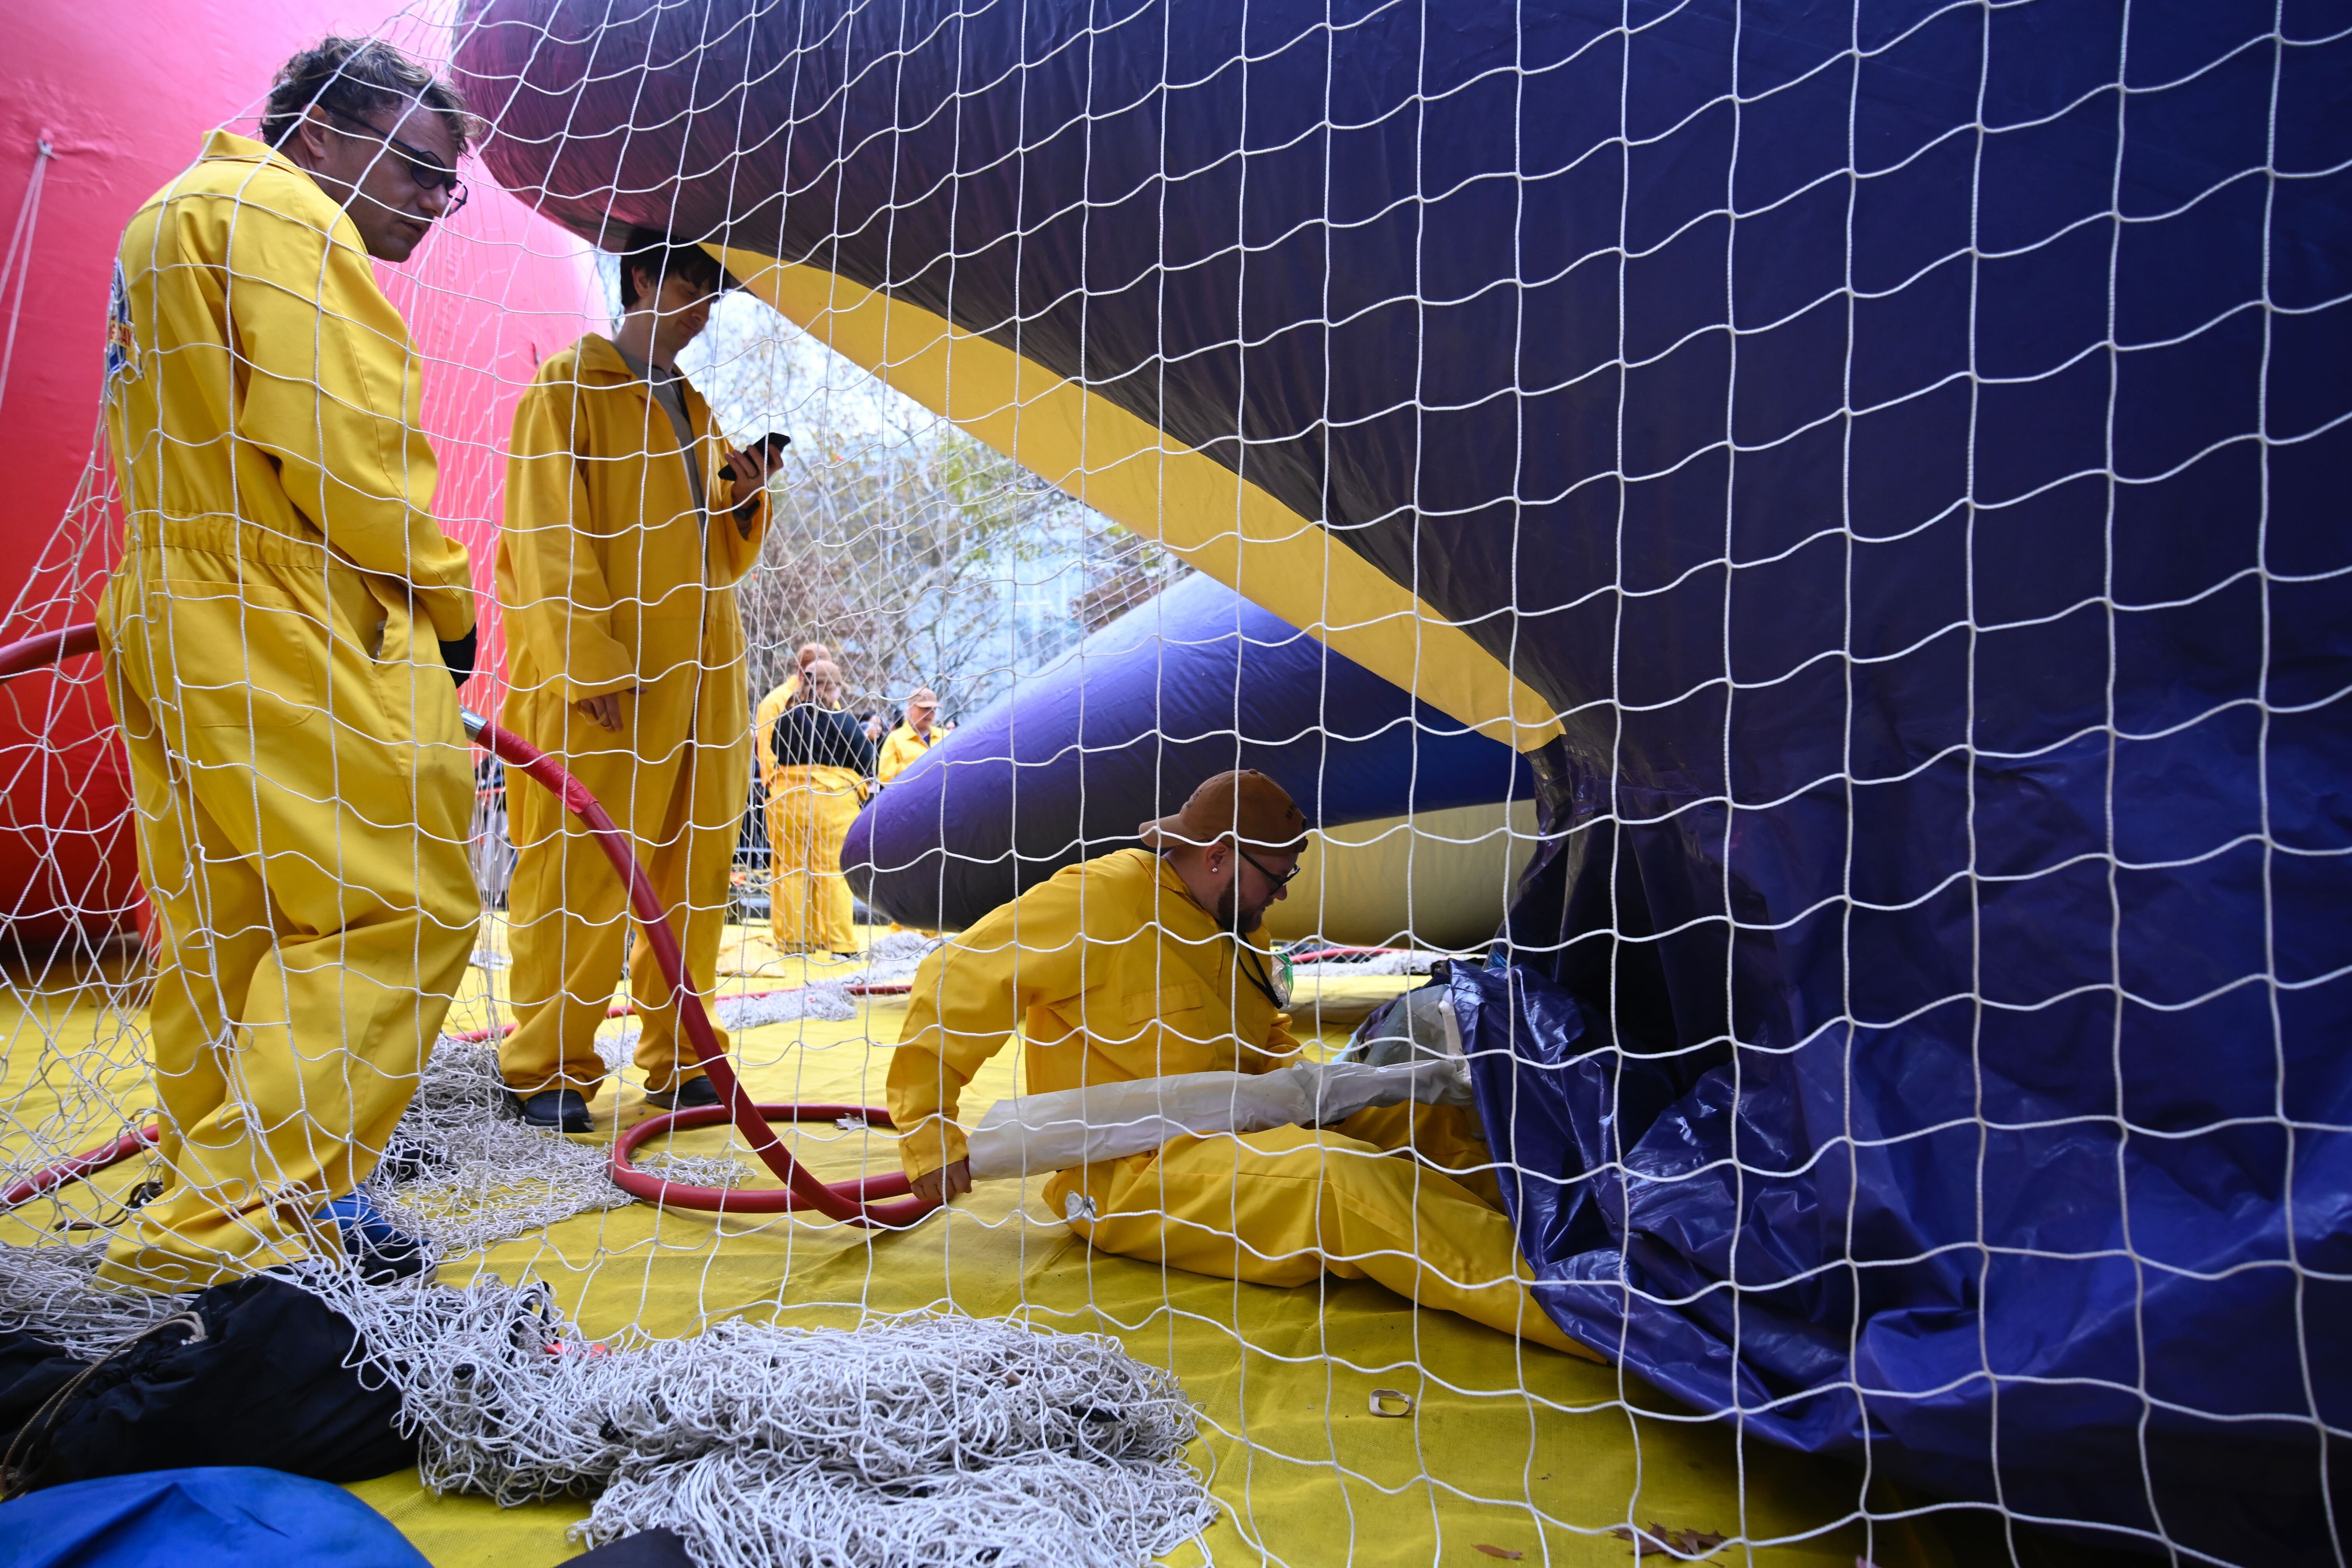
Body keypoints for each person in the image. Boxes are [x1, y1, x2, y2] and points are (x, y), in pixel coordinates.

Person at [93, 38, 482, 1287]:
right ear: (317, 135)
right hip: (286, 595)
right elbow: (343, 444)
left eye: (450, 185)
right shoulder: (284, 213)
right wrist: (444, 594)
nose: (436, 204)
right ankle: (213, 1245)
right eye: (423, 171)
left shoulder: (172, 216)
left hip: (170, 597)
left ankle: (222, 1171)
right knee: (401, 908)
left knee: (234, 925)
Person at [888, 771, 1592, 1356]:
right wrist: (927, 1126)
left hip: (1242, 1126)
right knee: (1336, 1180)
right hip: (1134, 1171)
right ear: (1220, 854)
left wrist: (1335, 1096)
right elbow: (958, 977)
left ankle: (1594, 1232)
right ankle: (1591, 1315)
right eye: (1276, 876)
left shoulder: (1235, 923)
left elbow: (1265, 1044)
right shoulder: (1101, 898)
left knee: (1418, 1115)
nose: (1282, 893)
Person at [495, 227, 782, 1131]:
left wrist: (742, 491)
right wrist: (587, 661)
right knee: (579, 870)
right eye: (699, 291)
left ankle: (685, 1055)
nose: (706, 315)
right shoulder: (568, 390)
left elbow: (714, 557)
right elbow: (545, 535)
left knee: (694, 870)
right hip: (605, 680)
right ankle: (546, 1068)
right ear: (648, 281)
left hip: (702, 673)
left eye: (716, 297)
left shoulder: (693, 405)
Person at [765, 659, 875, 956]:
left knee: (791, 872)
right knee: (831, 873)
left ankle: (795, 943)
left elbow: (775, 749)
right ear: (833, 688)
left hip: (787, 801)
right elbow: (866, 758)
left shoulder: (787, 719)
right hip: (832, 802)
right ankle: (840, 945)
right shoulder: (844, 720)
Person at [873, 687, 942, 785]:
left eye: (934, 709)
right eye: (925, 709)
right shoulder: (895, 738)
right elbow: (885, 776)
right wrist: (914, 768)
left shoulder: (945, 736)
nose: (931, 713)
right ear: (911, 709)